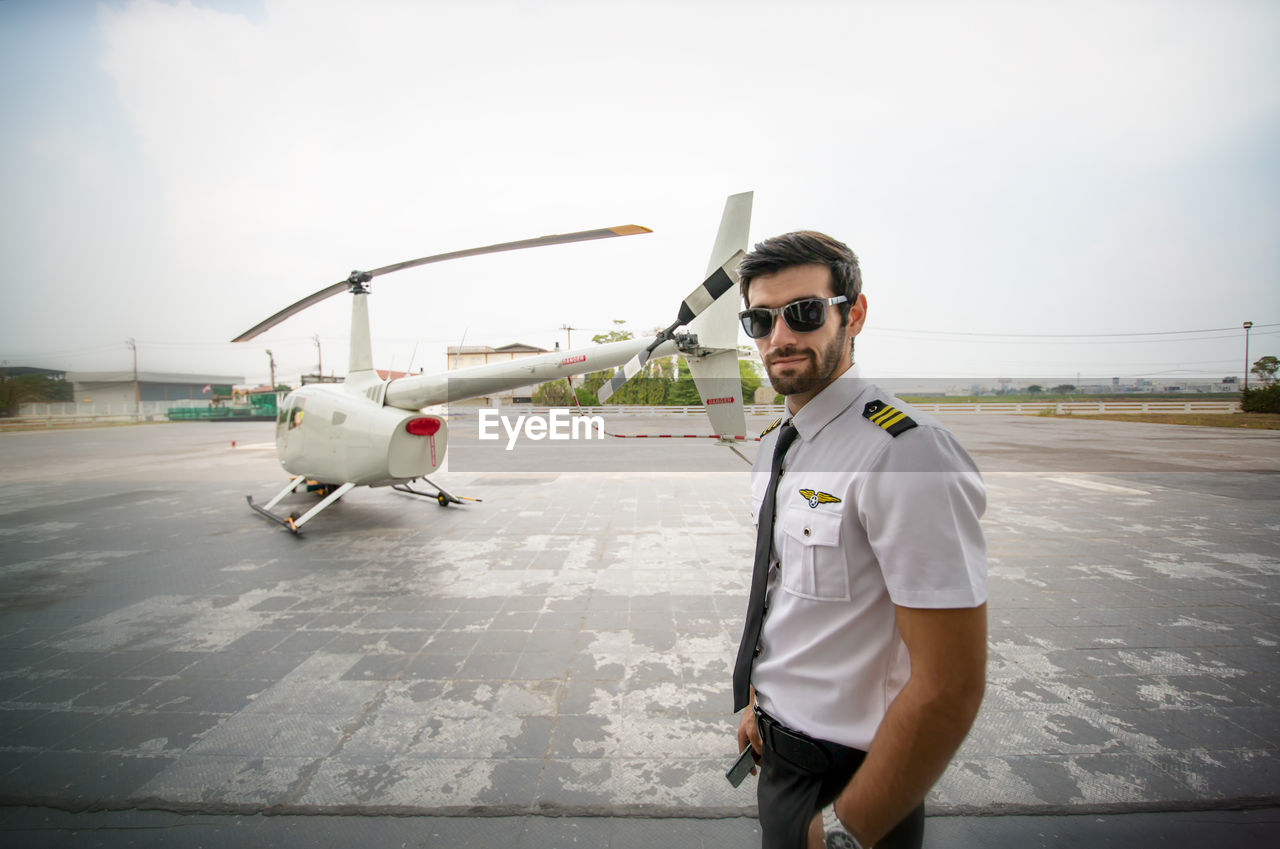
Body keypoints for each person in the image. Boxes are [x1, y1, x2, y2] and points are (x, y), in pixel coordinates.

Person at [731, 231, 988, 849]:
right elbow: (787, 599)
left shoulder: (905, 451)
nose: (781, 336)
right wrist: (756, 703)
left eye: (805, 312)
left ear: (855, 313)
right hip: (780, 753)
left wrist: (853, 827)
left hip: (851, 781)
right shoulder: (783, 444)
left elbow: (952, 681)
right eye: (760, 320)